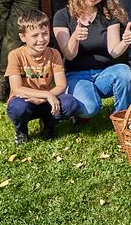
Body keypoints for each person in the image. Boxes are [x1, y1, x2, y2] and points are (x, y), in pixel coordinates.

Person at [51, 0, 131, 119]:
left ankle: (121, 118)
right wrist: (75, 37)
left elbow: (114, 51)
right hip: (76, 75)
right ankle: (74, 105)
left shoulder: (109, 14)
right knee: (90, 109)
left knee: (124, 72)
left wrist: (125, 42)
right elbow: (69, 56)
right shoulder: (62, 16)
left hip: (104, 74)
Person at [5, 9, 78, 144]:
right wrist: (47, 95)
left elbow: (62, 84)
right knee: (17, 108)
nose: (41, 39)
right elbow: (17, 88)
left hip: (45, 101)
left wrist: (45, 97)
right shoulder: (15, 55)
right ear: (23, 37)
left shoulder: (54, 53)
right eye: (35, 35)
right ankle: (21, 131)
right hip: (25, 100)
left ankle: (48, 126)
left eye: (45, 34)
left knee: (70, 103)